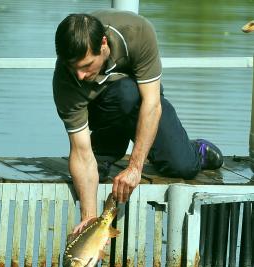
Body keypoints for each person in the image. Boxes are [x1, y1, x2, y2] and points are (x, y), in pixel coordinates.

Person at [52, 9, 223, 233]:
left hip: (142, 102)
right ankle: (104, 151)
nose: (80, 76)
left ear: (103, 43)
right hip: (101, 111)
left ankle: (195, 150)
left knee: (182, 166)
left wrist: (135, 168)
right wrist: (89, 219)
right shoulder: (66, 79)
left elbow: (151, 104)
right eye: (73, 68)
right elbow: (80, 150)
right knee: (93, 162)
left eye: (86, 66)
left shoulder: (137, 32)